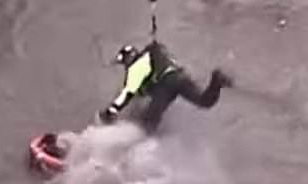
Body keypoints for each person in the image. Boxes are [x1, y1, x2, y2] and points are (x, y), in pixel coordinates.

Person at [97, 39, 232, 131]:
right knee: (205, 101)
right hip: (181, 77)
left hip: (165, 86)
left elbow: (126, 94)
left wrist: (110, 112)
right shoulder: (154, 53)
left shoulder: (136, 69)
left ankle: (145, 146)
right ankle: (216, 81)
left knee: (148, 123)